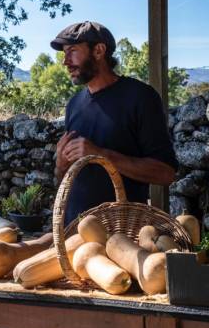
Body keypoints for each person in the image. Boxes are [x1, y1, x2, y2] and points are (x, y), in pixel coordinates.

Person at [51, 21, 177, 224]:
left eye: (72, 51)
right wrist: (60, 165)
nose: (65, 61)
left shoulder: (140, 97)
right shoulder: (74, 105)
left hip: (120, 236)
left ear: (99, 50)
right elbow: (64, 178)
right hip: (71, 232)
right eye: (64, 53)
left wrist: (102, 154)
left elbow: (165, 173)